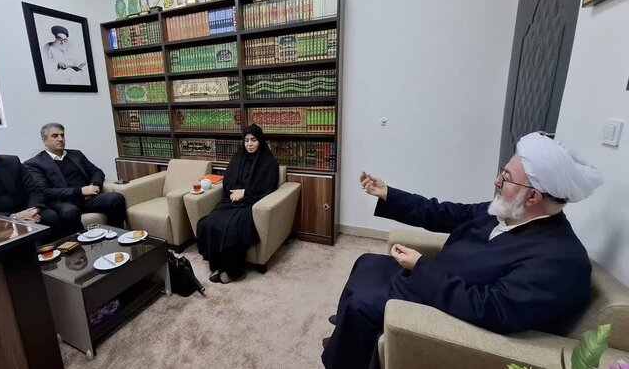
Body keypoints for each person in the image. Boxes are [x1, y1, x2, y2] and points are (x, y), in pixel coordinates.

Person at [321, 132, 604, 369]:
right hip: (438, 280)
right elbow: (444, 213)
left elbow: (492, 309)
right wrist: (388, 194)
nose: (496, 181)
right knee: (367, 263)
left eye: (506, 178)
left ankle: (344, 353)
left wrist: (421, 267)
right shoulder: (507, 211)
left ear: (532, 196)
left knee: (362, 302)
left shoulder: (560, 260)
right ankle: (347, 333)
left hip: (447, 306)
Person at [196, 124, 279, 284]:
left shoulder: (268, 162)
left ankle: (234, 271)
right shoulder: (238, 157)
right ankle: (218, 263)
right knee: (209, 222)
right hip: (232, 201)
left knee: (232, 228)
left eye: (253, 140)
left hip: (251, 203)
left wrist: (245, 192)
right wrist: (235, 192)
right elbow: (228, 180)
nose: (249, 144)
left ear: (260, 141)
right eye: (246, 140)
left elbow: (267, 186)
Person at [24, 123, 126, 233]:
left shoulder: (75, 154)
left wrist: (94, 186)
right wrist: (80, 191)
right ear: (44, 140)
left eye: (62, 135)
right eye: (55, 136)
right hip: (61, 202)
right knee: (70, 211)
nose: (60, 139)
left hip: (87, 199)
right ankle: (81, 242)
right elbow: (44, 191)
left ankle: (116, 234)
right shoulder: (34, 163)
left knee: (116, 198)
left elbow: (97, 172)